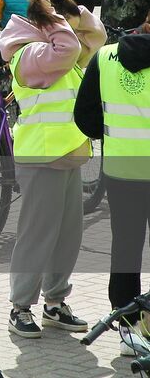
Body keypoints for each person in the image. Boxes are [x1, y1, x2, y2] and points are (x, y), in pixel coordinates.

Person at [1, 0, 103, 339]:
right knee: (37, 235)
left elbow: (96, 37)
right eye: (55, 16)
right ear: (42, 23)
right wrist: (54, 20)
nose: (64, 22)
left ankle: (55, 304)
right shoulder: (26, 54)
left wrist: (68, 4)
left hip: (69, 153)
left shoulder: (54, 45)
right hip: (42, 156)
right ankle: (20, 307)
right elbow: (70, 46)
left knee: (67, 236)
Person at [75, 28, 150, 357]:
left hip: (121, 171)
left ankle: (128, 328)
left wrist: (110, 133)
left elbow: (84, 115)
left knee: (126, 247)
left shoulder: (104, 56)